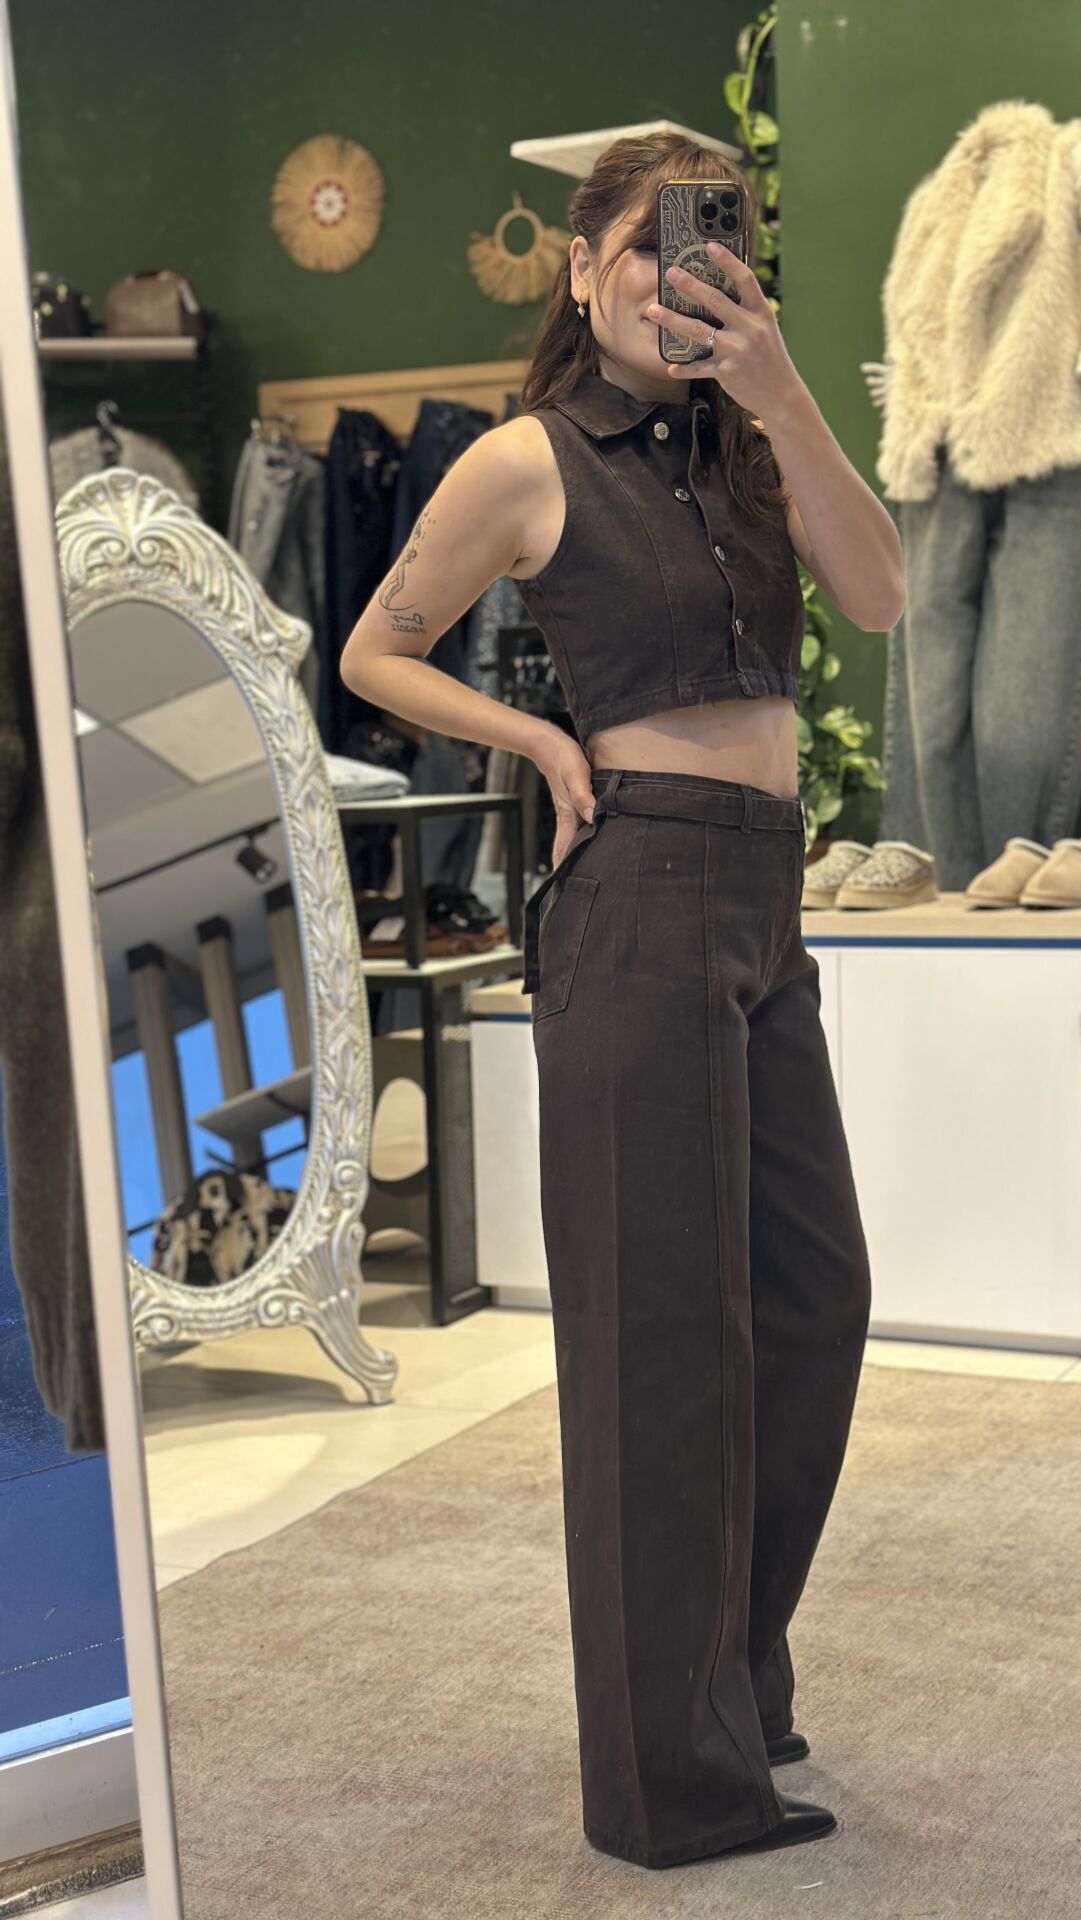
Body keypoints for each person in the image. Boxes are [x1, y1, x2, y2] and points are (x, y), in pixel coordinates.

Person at [340, 131, 905, 1871]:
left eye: (714, 244)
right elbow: (373, 648)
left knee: (811, 1302)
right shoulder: (526, 459)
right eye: (653, 246)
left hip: (766, 905)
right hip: (641, 890)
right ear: (586, 266)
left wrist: (782, 387)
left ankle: (725, 1676)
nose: (681, 276)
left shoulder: (751, 443)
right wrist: (535, 738)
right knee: (661, 1345)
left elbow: (882, 594)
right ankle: (676, 1786)